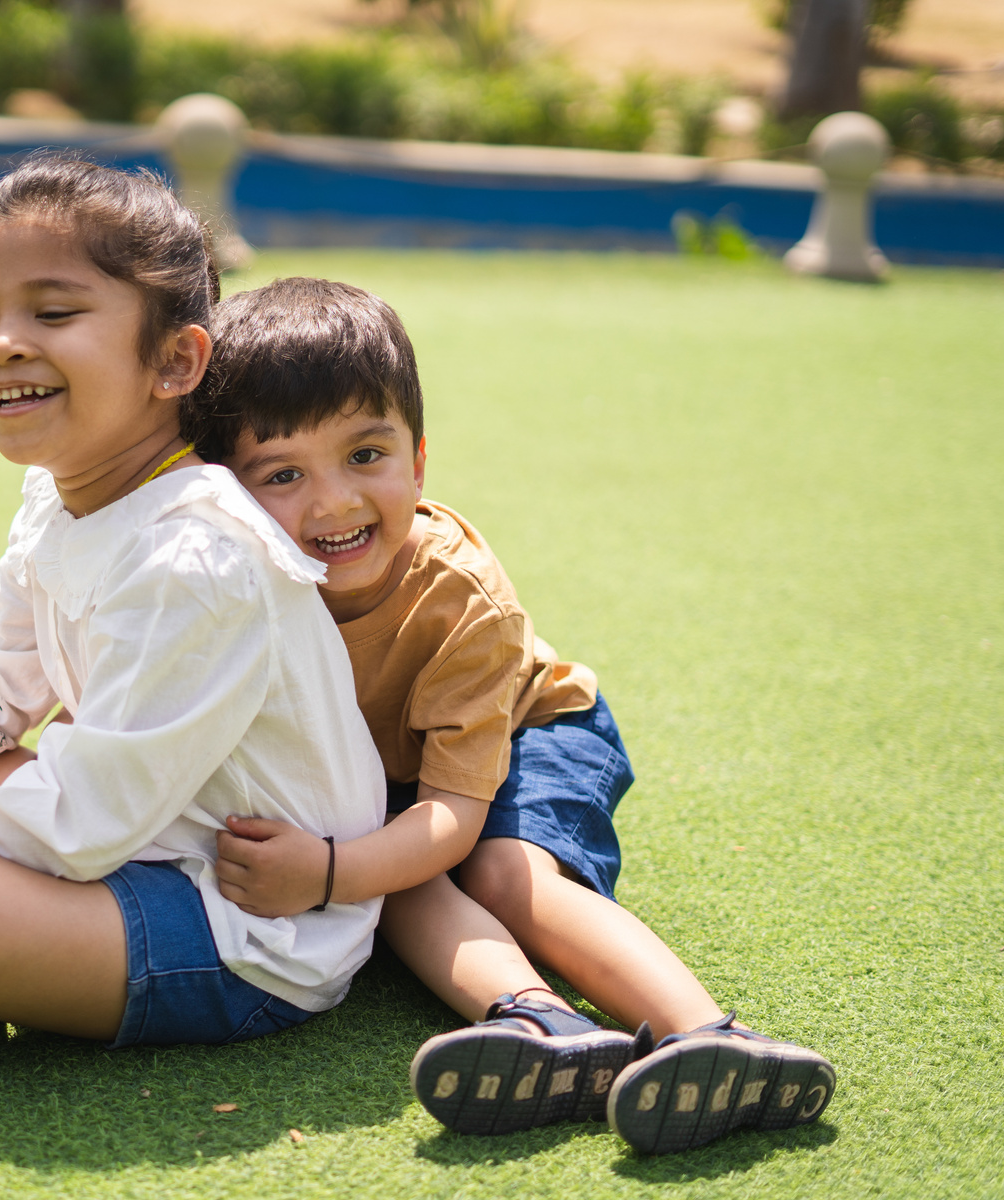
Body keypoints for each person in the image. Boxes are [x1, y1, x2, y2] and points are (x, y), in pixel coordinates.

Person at [0, 164, 387, 1090]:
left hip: (241, 923)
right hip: (141, 833)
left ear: (174, 362)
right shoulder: (59, 497)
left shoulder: (196, 558)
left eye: (52, 314)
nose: (5, 344)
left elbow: (88, 821)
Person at [187, 277, 835, 1155]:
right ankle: (548, 1031)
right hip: (395, 776)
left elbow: (450, 819)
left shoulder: (459, 598)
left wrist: (330, 873)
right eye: (285, 474)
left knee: (500, 874)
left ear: (418, 460)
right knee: (400, 878)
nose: (334, 502)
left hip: (537, 732)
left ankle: (709, 1035)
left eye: (366, 456)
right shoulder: (223, 580)